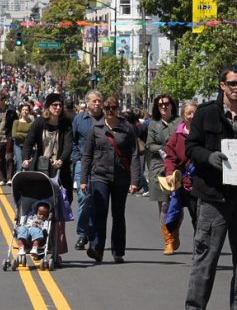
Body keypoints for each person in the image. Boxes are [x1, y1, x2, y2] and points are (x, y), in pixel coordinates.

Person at [184, 66, 237, 310]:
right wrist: (208, 157)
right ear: (222, 85)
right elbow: (191, 147)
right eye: (232, 83)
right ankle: (195, 307)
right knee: (206, 258)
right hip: (214, 197)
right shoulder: (205, 113)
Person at [80, 96, 140, 264]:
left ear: (118, 109)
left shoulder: (127, 128)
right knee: (100, 211)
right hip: (100, 175)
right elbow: (87, 155)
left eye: (113, 108)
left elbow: (135, 155)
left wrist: (135, 180)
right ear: (103, 110)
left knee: (118, 214)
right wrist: (83, 179)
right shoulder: (96, 128)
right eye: (107, 108)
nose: (110, 111)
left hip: (121, 178)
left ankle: (118, 251)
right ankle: (96, 249)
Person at [22, 93, 73, 202]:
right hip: (42, 165)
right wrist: (25, 158)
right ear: (48, 106)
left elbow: (68, 145)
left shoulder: (66, 123)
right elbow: (29, 142)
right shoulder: (39, 122)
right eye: (55, 105)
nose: (58, 108)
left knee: (64, 200)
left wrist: (61, 159)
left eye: (60, 105)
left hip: (59, 166)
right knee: (41, 199)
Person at [146, 94, 180, 255]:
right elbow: (149, 145)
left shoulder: (179, 122)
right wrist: (164, 149)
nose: (164, 106)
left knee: (178, 204)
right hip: (159, 167)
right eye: (160, 104)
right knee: (164, 205)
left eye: (166, 103)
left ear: (172, 105)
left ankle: (175, 231)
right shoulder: (154, 124)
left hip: (178, 167)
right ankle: (168, 240)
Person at [71, 90, 103, 251]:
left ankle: (94, 234)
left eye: (99, 101)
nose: (97, 103)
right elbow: (73, 141)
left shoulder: (106, 119)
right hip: (82, 164)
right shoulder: (79, 119)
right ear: (87, 102)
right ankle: (83, 233)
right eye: (94, 101)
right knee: (84, 198)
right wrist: (77, 158)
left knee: (96, 201)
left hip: (101, 166)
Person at [163, 100, 199, 233]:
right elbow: (170, 157)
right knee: (173, 215)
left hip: (199, 183)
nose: (192, 116)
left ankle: (200, 244)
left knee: (199, 219)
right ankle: (171, 239)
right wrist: (169, 173)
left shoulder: (203, 133)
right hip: (182, 183)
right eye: (189, 113)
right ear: (183, 116)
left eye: (195, 113)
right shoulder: (177, 136)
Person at [0, 94, 17, 185]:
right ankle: (2, 178)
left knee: (9, 157)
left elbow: (15, 122)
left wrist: (13, 135)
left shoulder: (11, 111)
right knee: (0, 159)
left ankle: (10, 177)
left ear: (3, 101)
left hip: (8, 137)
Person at [12, 102, 35, 176]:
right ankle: (18, 177)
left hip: (27, 146)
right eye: (23, 110)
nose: (25, 111)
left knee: (26, 164)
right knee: (19, 163)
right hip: (18, 145)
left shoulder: (31, 123)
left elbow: (31, 135)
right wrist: (26, 136)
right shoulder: (16, 122)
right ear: (20, 111)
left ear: (29, 112)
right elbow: (14, 135)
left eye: (26, 110)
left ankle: (24, 178)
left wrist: (20, 134)